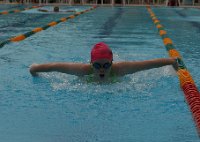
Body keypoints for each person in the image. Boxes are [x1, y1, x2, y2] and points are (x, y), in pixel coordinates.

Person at [29, 42, 178, 81]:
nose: (102, 69)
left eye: (106, 65)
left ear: (112, 63)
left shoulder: (121, 69)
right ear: (90, 64)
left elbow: (148, 64)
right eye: (97, 65)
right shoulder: (82, 70)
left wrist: (171, 62)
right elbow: (55, 67)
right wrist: (34, 69)